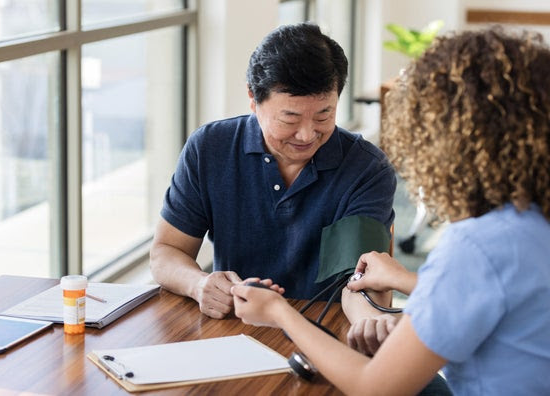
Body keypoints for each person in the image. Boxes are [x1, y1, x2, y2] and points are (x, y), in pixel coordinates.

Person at [232, 26, 550, 395]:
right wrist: (409, 281)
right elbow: (509, 297)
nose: (307, 134)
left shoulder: (476, 246)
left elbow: (375, 388)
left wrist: (278, 312)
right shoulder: (530, 222)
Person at [149, 22, 396, 319]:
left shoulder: (365, 169)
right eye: (289, 118)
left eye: (324, 115)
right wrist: (199, 284)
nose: (306, 135)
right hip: (232, 328)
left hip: (327, 331)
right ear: (253, 99)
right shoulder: (210, 148)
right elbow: (166, 252)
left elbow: (361, 284)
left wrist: (372, 323)